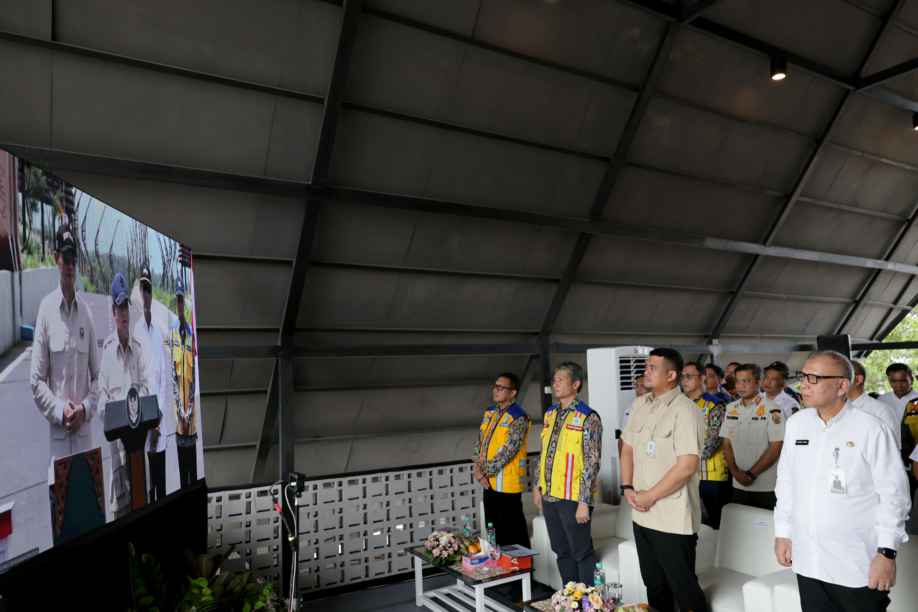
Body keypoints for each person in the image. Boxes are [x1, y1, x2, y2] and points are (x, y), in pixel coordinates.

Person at [774, 351, 910, 612]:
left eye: (814, 378)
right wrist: (783, 533)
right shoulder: (797, 424)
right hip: (809, 559)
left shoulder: (871, 428)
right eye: (803, 376)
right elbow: (787, 482)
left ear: (842, 385)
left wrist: (886, 552)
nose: (804, 385)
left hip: (856, 562)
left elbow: (893, 494)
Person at [621, 348, 709, 612]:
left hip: (672, 517)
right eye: (646, 366)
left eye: (653, 368)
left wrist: (649, 496)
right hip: (642, 514)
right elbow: (627, 448)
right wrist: (627, 487)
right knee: (654, 585)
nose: (646, 371)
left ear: (671, 375)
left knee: (683, 587)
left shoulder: (686, 410)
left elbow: (686, 466)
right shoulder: (640, 404)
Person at [30, 224, 100, 484]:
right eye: (65, 258)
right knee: (61, 509)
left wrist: (85, 409)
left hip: (85, 446)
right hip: (59, 450)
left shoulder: (87, 315)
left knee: (88, 509)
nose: (69, 266)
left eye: (73, 260)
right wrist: (60, 410)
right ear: (55, 258)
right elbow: (36, 380)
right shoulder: (46, 311)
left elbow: (99, 379)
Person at [533, 362, 601, 586]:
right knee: (561, 550)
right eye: (554, 380)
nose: (555, 384)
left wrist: (584, 501)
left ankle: (588, 600)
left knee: (581, 551)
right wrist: (537, 486)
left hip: (573, 497)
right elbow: (544, 453)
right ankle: (569, 598)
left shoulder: (588, 417)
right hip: (550, 494)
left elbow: (592, 462)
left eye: (561, 380)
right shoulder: (551, 413)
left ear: (576, 384)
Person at [97, 273, 150, 518]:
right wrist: (114, 413)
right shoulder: (107, 354)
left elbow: (147, 390)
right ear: (113, 312)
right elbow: (101, 400)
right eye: (119, 308)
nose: (124, 313)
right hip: (118, 460)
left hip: (138, 458)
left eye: (126, 306)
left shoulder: (138, 351)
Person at [473, 372, 531, 548]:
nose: (496, 390)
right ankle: (498, 564)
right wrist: (477, 468)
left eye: (501, 387)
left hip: (508, 485)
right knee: (493, 530)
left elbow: (508, 451)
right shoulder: (490, 412)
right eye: (495, 386)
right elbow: (480, 442)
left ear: (513, 393)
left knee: (513, 533)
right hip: (488, 483)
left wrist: (484, 472)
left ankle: (522, 566)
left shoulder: (518, 417)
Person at [133, 266, 174, 503]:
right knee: (149, 489)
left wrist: (159, 417)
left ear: (152, 293)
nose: (146, 294)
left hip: (160, 422)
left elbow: (164, 378)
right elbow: (138, 381)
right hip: (146, 425)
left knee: (163, 486)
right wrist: (150, 419)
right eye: (143, 289)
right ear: (139, 293)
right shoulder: (136, 332)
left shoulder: (158, 332)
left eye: (149, 289)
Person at [721, 364, 784, 510]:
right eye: (738, 381)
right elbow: (726, 443)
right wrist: (735, 473)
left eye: (746, 381)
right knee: (740, 522)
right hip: (738, 483)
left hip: (766, 486)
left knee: (764, 523)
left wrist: (751, 475)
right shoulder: (731, 408)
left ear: (758, 382)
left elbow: (776, 447)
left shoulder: (772, 409)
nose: (741, 386)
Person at [682, 361, 731, 529]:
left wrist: (684, 458)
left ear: (702, 378)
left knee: (715, 523)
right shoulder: (680, 405)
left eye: (689, 376)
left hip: (711, 475)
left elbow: (712, 442)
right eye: (683, 377)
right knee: (692, 523)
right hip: (685, 473)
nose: (684, 380)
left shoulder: (715, 405)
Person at [171, 278, 197, 488]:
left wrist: (190, 410)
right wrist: (181, 410)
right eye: (177, 301)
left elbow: (194, 376)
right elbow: (173, 376)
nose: (180, 304)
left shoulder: (190, 335)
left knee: (194, 474)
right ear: (175, 303)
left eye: (182, 300)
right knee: (183, 478)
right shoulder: (172, 334)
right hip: (180, 419)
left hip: (191, 416)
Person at [848, 360, 900, 449]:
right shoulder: (834, 409)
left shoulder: (881, 411)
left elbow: (891, 449)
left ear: (858, 380)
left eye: (840, 377)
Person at [878, 363, 918, 431]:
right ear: (889, 381)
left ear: (911, 380)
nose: (899, 385)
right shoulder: (882, 400)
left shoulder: (916, 398)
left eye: (903, 381)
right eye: (894, 381)